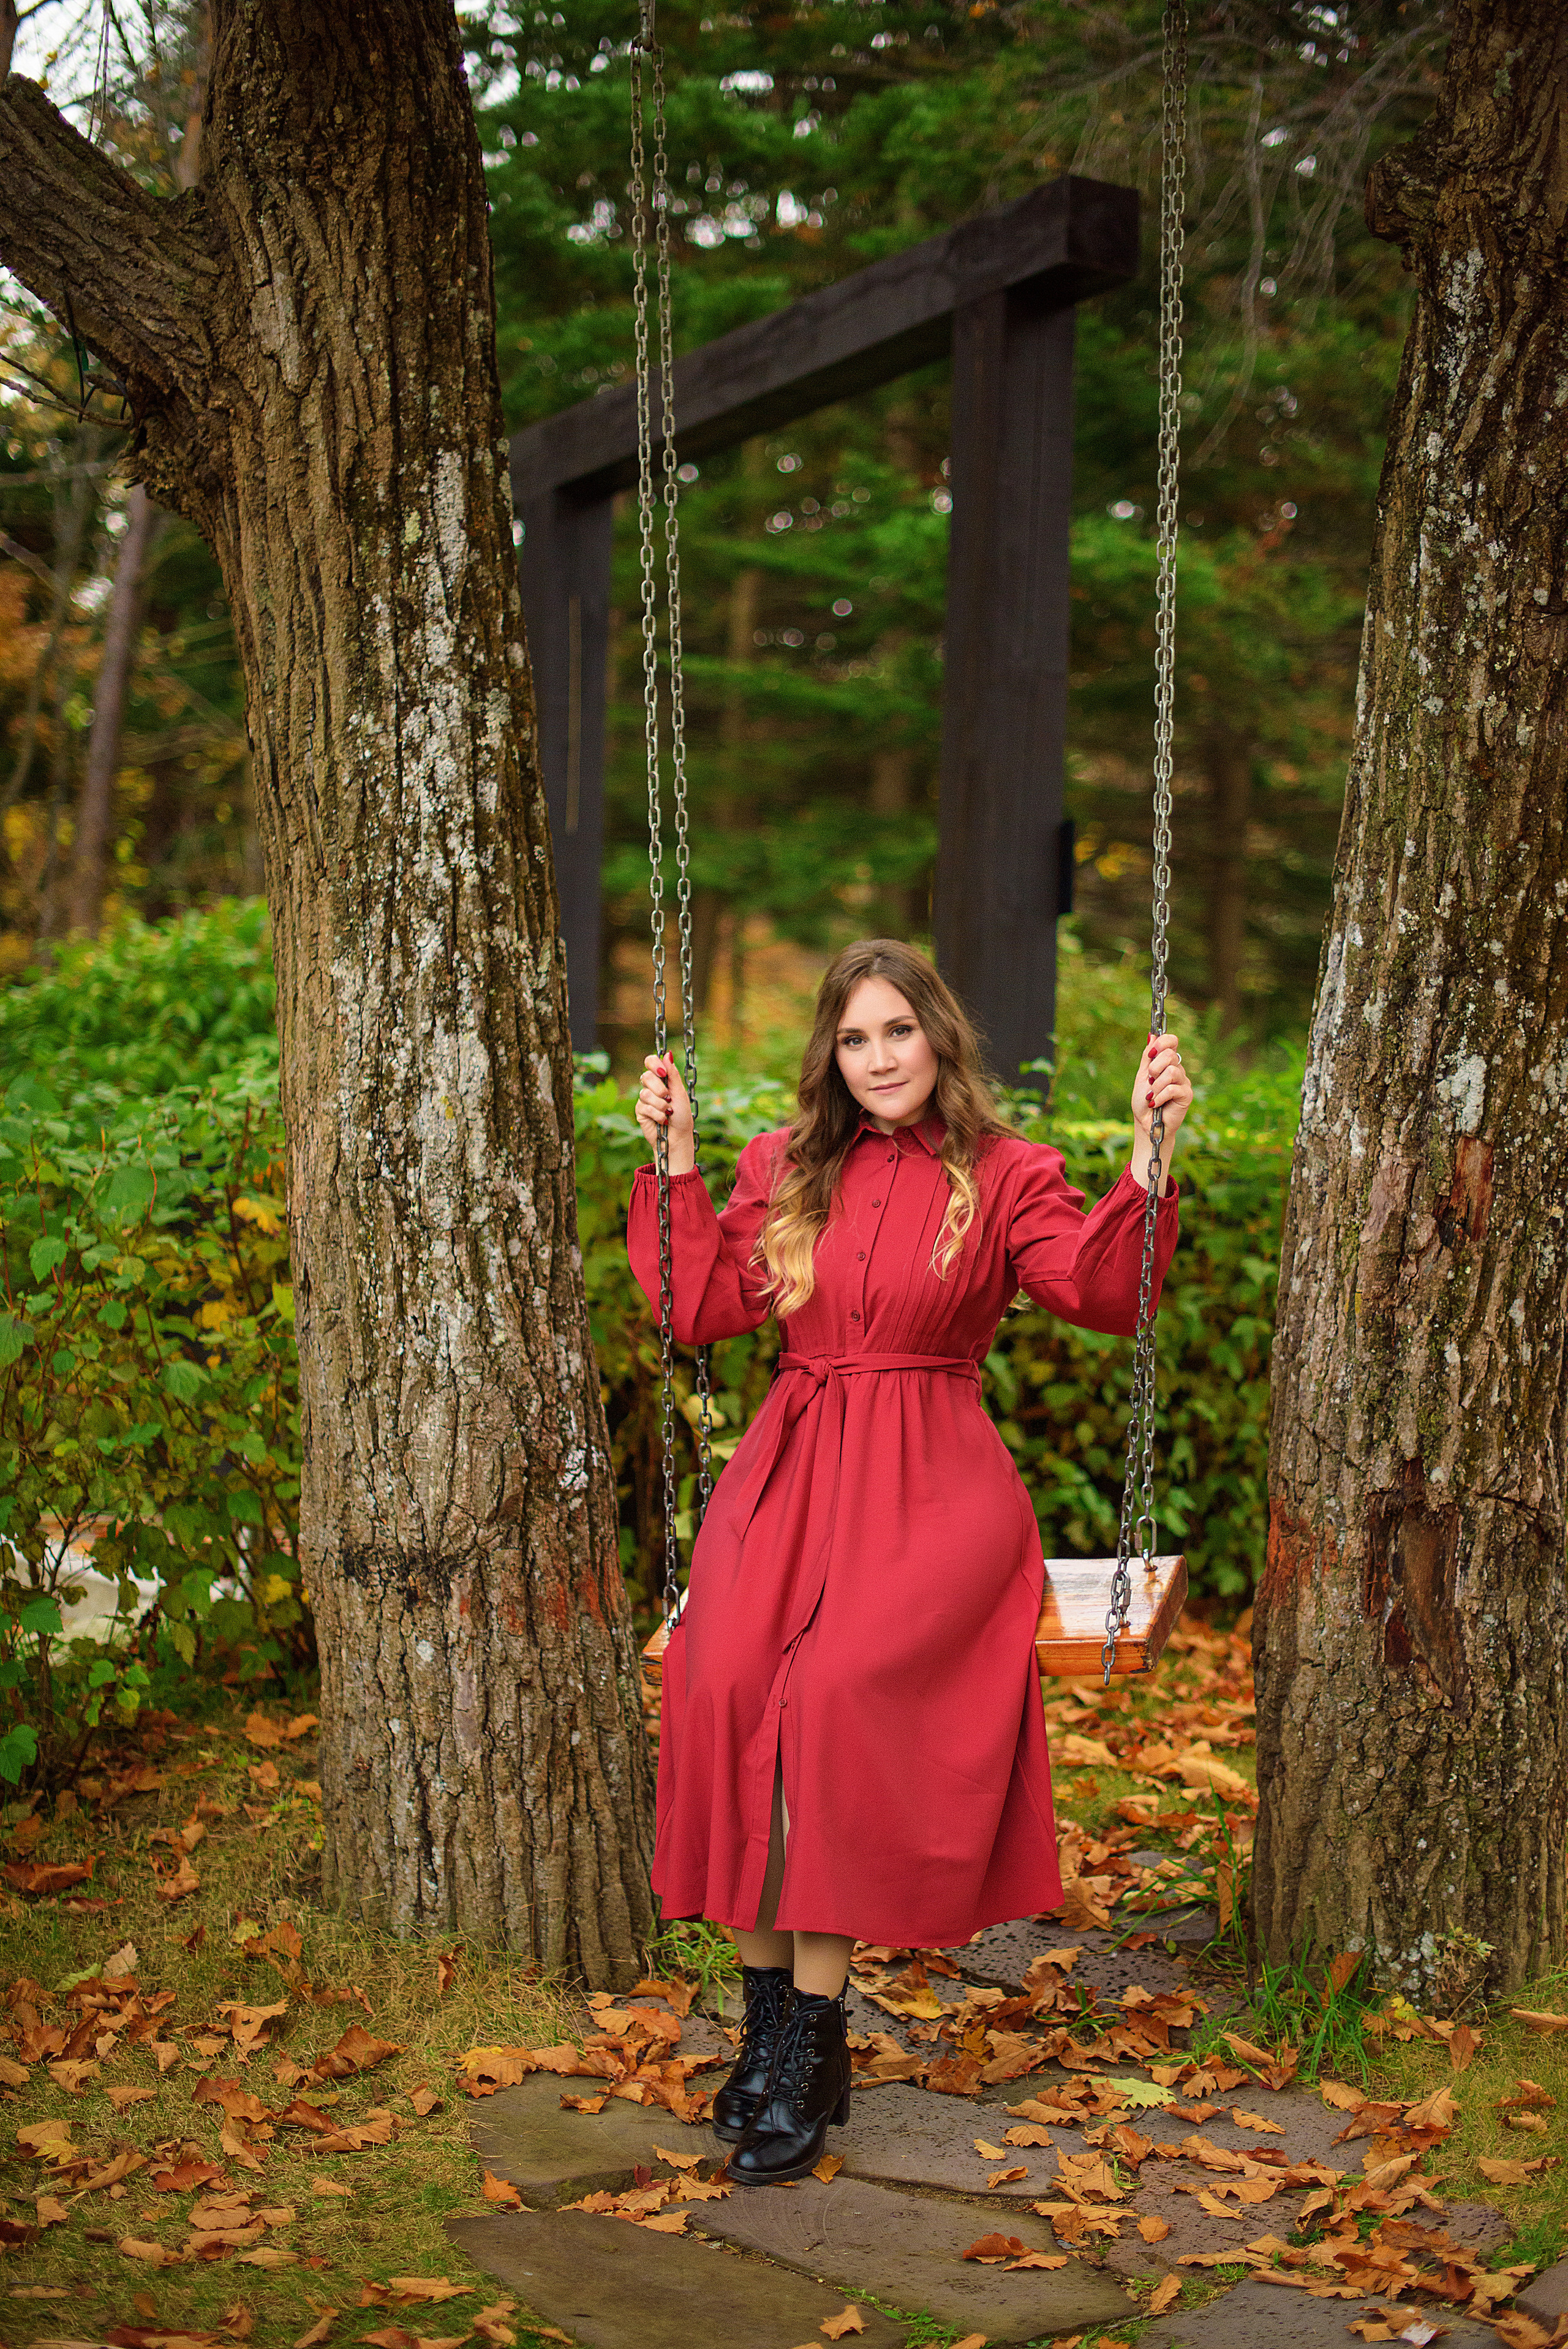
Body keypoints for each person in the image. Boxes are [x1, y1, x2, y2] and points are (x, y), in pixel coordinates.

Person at [628, 938, 1191, 2187]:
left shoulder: (1003, 1173)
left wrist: (1149, 1156)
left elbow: (1097, 1293)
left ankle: (809, 2036)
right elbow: (700, 1306)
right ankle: (776, 2029)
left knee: (828, 1704)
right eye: (851, 1037)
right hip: (789, 1469)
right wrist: (670, 1159)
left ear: (936, 1037)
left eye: (896, 1031)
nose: (876, 1057)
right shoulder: (782, 1166)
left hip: (930, 1489)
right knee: (726, 1686)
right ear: (829, 1055)